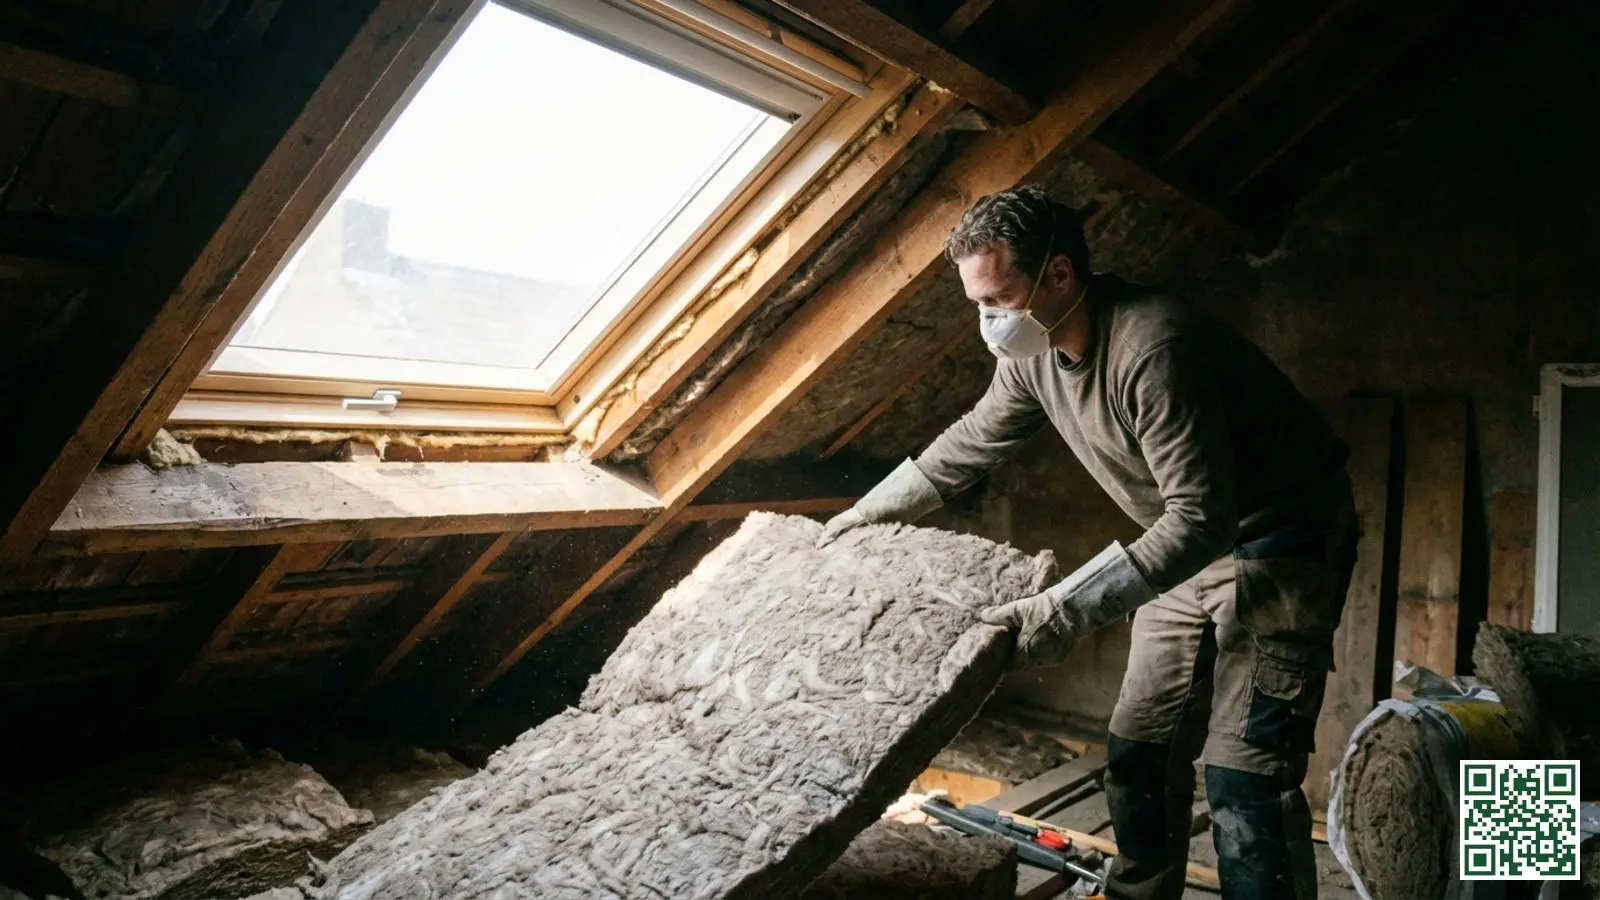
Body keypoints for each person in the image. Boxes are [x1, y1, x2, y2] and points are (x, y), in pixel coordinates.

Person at [820, 185, 1357, 900]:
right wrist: (869, 512)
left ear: (1061, 274)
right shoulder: (1031, 352)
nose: (988, 319)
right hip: (1184, 540)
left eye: (1000, 297)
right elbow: (975, 440)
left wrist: (1062, 610)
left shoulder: (1153, 349)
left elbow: (1202, 517)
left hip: (1279, 539)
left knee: (1244, 775)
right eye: (977, 301)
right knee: (1138, 751)